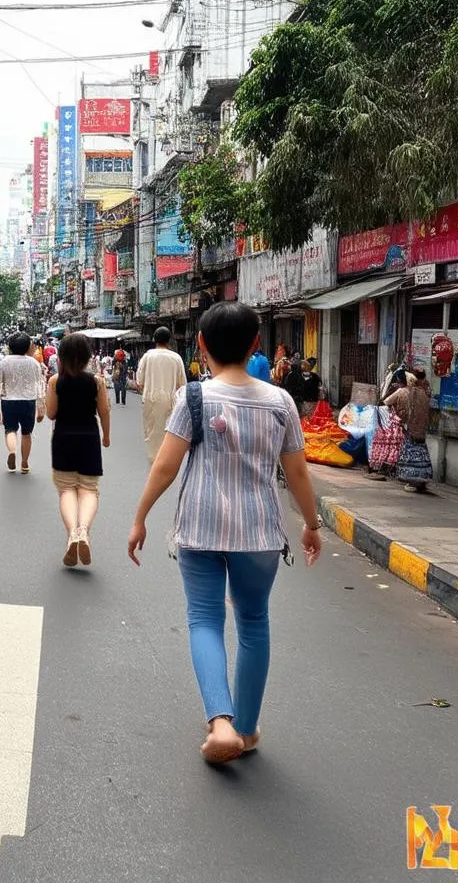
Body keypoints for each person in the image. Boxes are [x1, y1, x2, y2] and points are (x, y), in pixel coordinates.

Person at [127, 302, 322, 763]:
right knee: (254, 622)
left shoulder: (193, 398)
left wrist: (139, 518)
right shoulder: (281, 402)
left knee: (204, 620)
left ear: (201, 345)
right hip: (259, 534)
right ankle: (248, 729)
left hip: (200, 528)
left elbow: (167, 465)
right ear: (256, 345)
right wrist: (312, 525)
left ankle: (220, 723)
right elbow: (297, 473)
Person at [46, 334, 110, 568]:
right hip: (89, 439)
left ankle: (73, 532)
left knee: (66, 490)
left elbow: (51, 413)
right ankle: (83, 530)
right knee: (89, 489)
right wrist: (107, 436)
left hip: (63, 438)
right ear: (87, 357)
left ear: (61, 357)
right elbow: (104, 412)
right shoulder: (97, 381)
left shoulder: (55, 381)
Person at [0, 332, 46, 474]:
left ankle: (12, 451)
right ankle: (25, 463)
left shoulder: (4, 361)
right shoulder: (34, 363)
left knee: (10, 430)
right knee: (27, 433)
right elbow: (39, 386)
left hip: (9, 401)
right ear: (28, 346)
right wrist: (41, 409)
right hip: (28, 402)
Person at [136, 327, 186, 463]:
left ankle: (155, 463)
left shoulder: (147, 357)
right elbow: (182, 386)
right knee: (169, 431)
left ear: (154, 340)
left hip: (150, 399)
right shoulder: (176, 358)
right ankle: (165, 460)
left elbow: (139, 382)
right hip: (171, 401)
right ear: (169, 341)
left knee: (151, 433)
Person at [385, 370, 433, 493]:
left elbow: (406, 410)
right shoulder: (426, 393)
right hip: (422, 430)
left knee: (411, 455)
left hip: (412, 428)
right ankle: (422, 481)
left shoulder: (412, 393)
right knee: (422, 454)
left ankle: (412, 482)